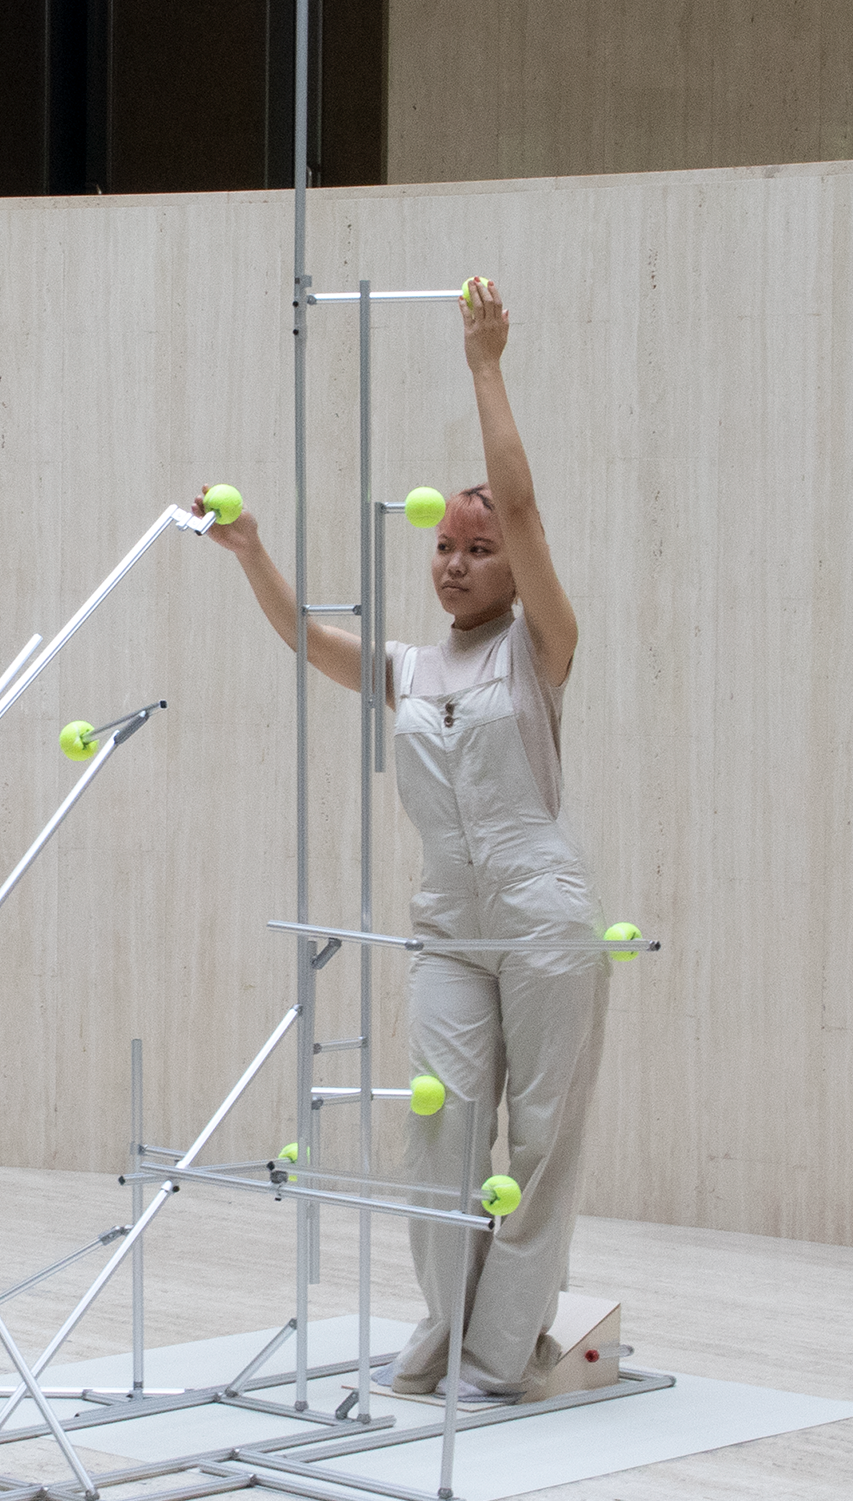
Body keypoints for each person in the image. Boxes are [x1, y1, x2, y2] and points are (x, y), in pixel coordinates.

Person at [196, 277, 608, 1402]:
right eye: (445, 548)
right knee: (439, 1129)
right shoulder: (414, 671)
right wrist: (250, 551)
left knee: (543, 1139)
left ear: (514, 566)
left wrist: (485, 365)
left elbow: (525, 509)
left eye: (479, 548)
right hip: (448, 925)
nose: (456, 562)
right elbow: (306, 639)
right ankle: (449, 1328)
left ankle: (497, 1352)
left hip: (544, 916)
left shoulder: (542, 648)